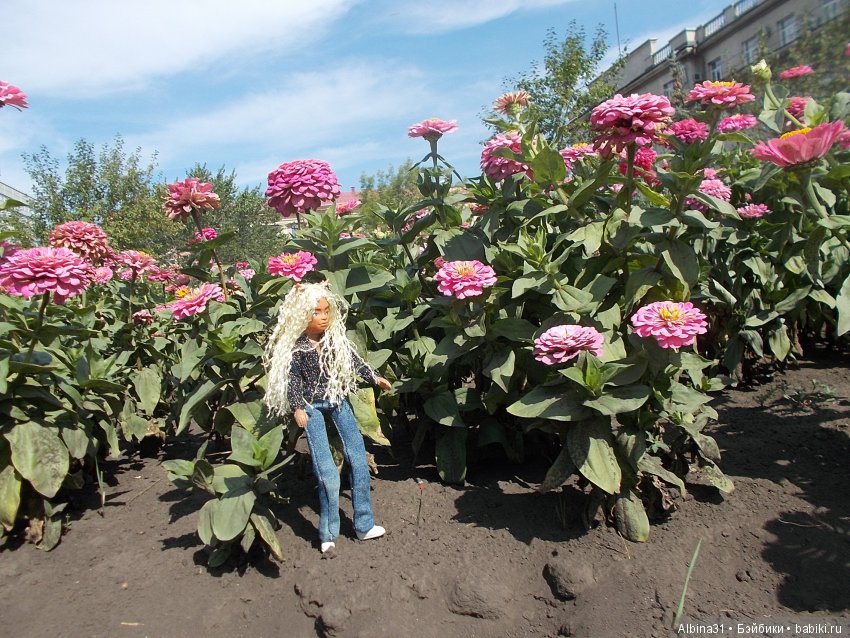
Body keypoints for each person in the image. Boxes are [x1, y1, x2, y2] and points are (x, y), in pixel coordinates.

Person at [264, 281, 392, 553]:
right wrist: (298, 407)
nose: (323, 317)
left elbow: (355, 361)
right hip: (311, 408)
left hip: (336, 399)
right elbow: (292, 382)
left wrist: (374, 377)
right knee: (326, 472)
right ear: (300, 315)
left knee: (358, 458)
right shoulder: (297, 350)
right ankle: (328, 532)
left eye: (326, 311)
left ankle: (364, 524)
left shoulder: (335, 341)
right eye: (316, 312)